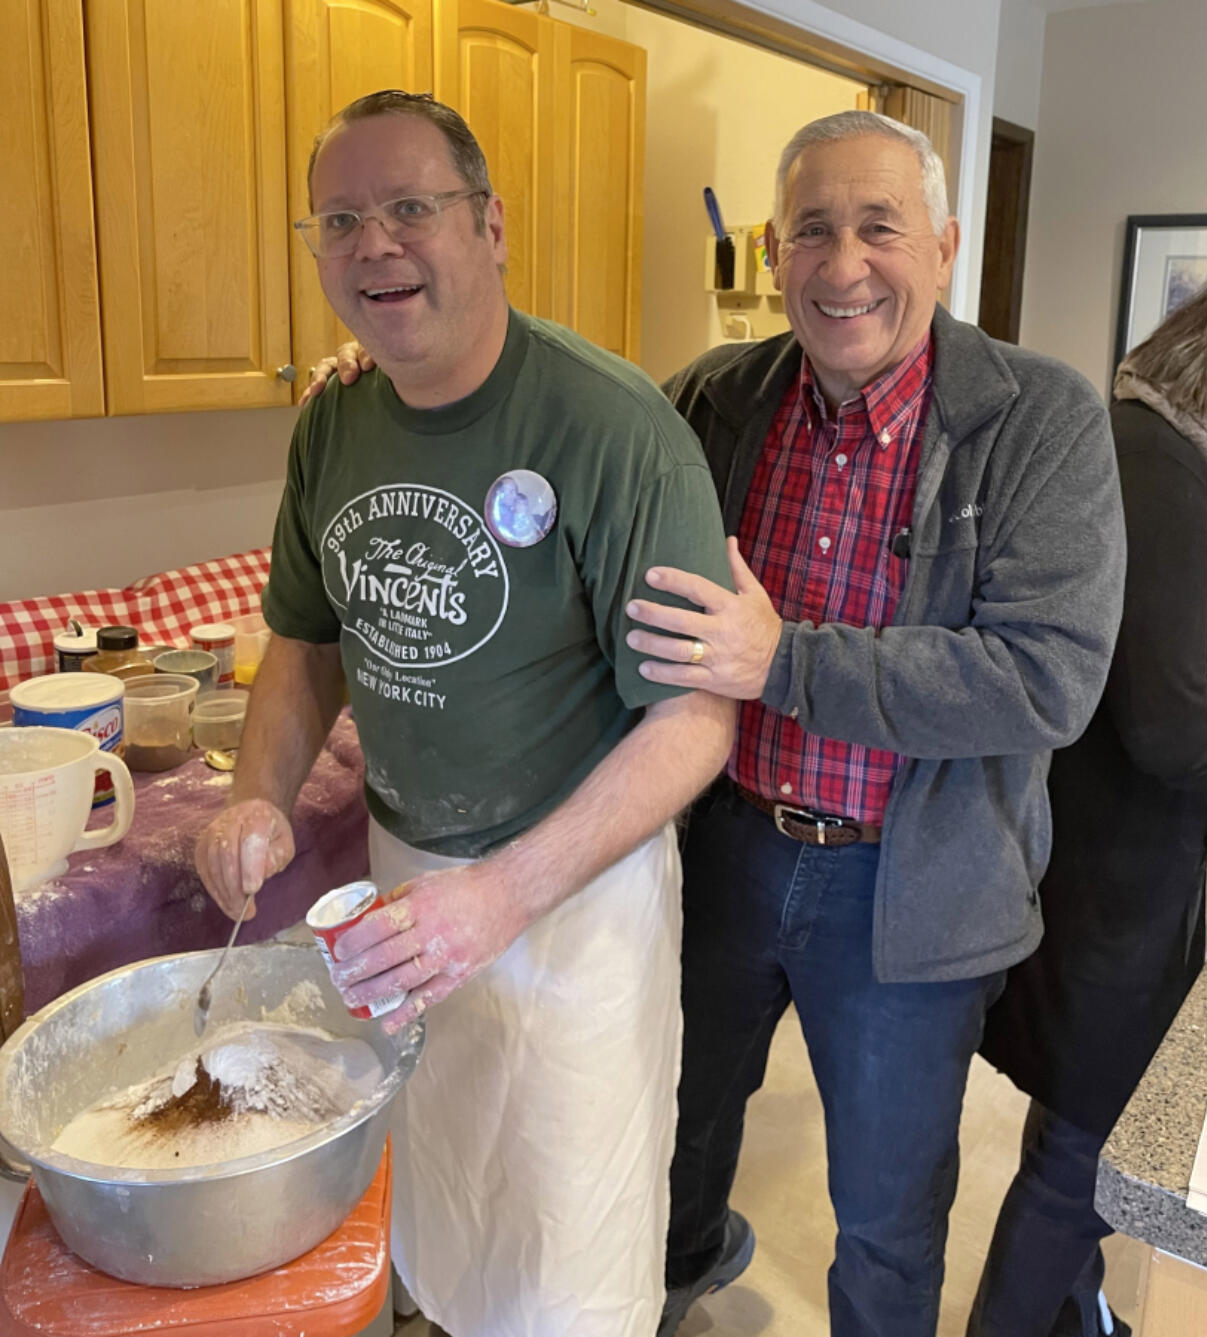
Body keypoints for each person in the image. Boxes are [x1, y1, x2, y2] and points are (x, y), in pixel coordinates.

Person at [299, 110, 1127, 1337]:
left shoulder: (1040, 421)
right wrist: (396, 363)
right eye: (807, 230)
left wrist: (784, 661)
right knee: (673, 1145)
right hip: (723, 850)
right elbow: (566, 486)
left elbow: (1046, 677)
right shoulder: (711, 399)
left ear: (944, 247)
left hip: (906, 885)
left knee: (886, 1216)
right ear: (773, 251)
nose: (841, 265)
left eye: (877, 228)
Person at [194, 90, 735, 1337]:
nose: (374, 243)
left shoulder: (613, 429)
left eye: (409, 208)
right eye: (340, 219)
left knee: (562, 1237)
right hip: (402, 875)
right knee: (437, 1196)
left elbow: (696, 720)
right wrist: (253, 795)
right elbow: (304, 638)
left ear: (488, 226)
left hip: (573, 898)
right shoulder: (333, 419)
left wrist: (499, 892)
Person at [971, 269, 1207, 1337]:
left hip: (1114, 864)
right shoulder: (1154, 469)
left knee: (1084, 1120)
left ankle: (1075, 1311)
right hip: (1104, 873)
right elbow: (1167, 723)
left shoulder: (1160, 452)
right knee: (1082, 1142)